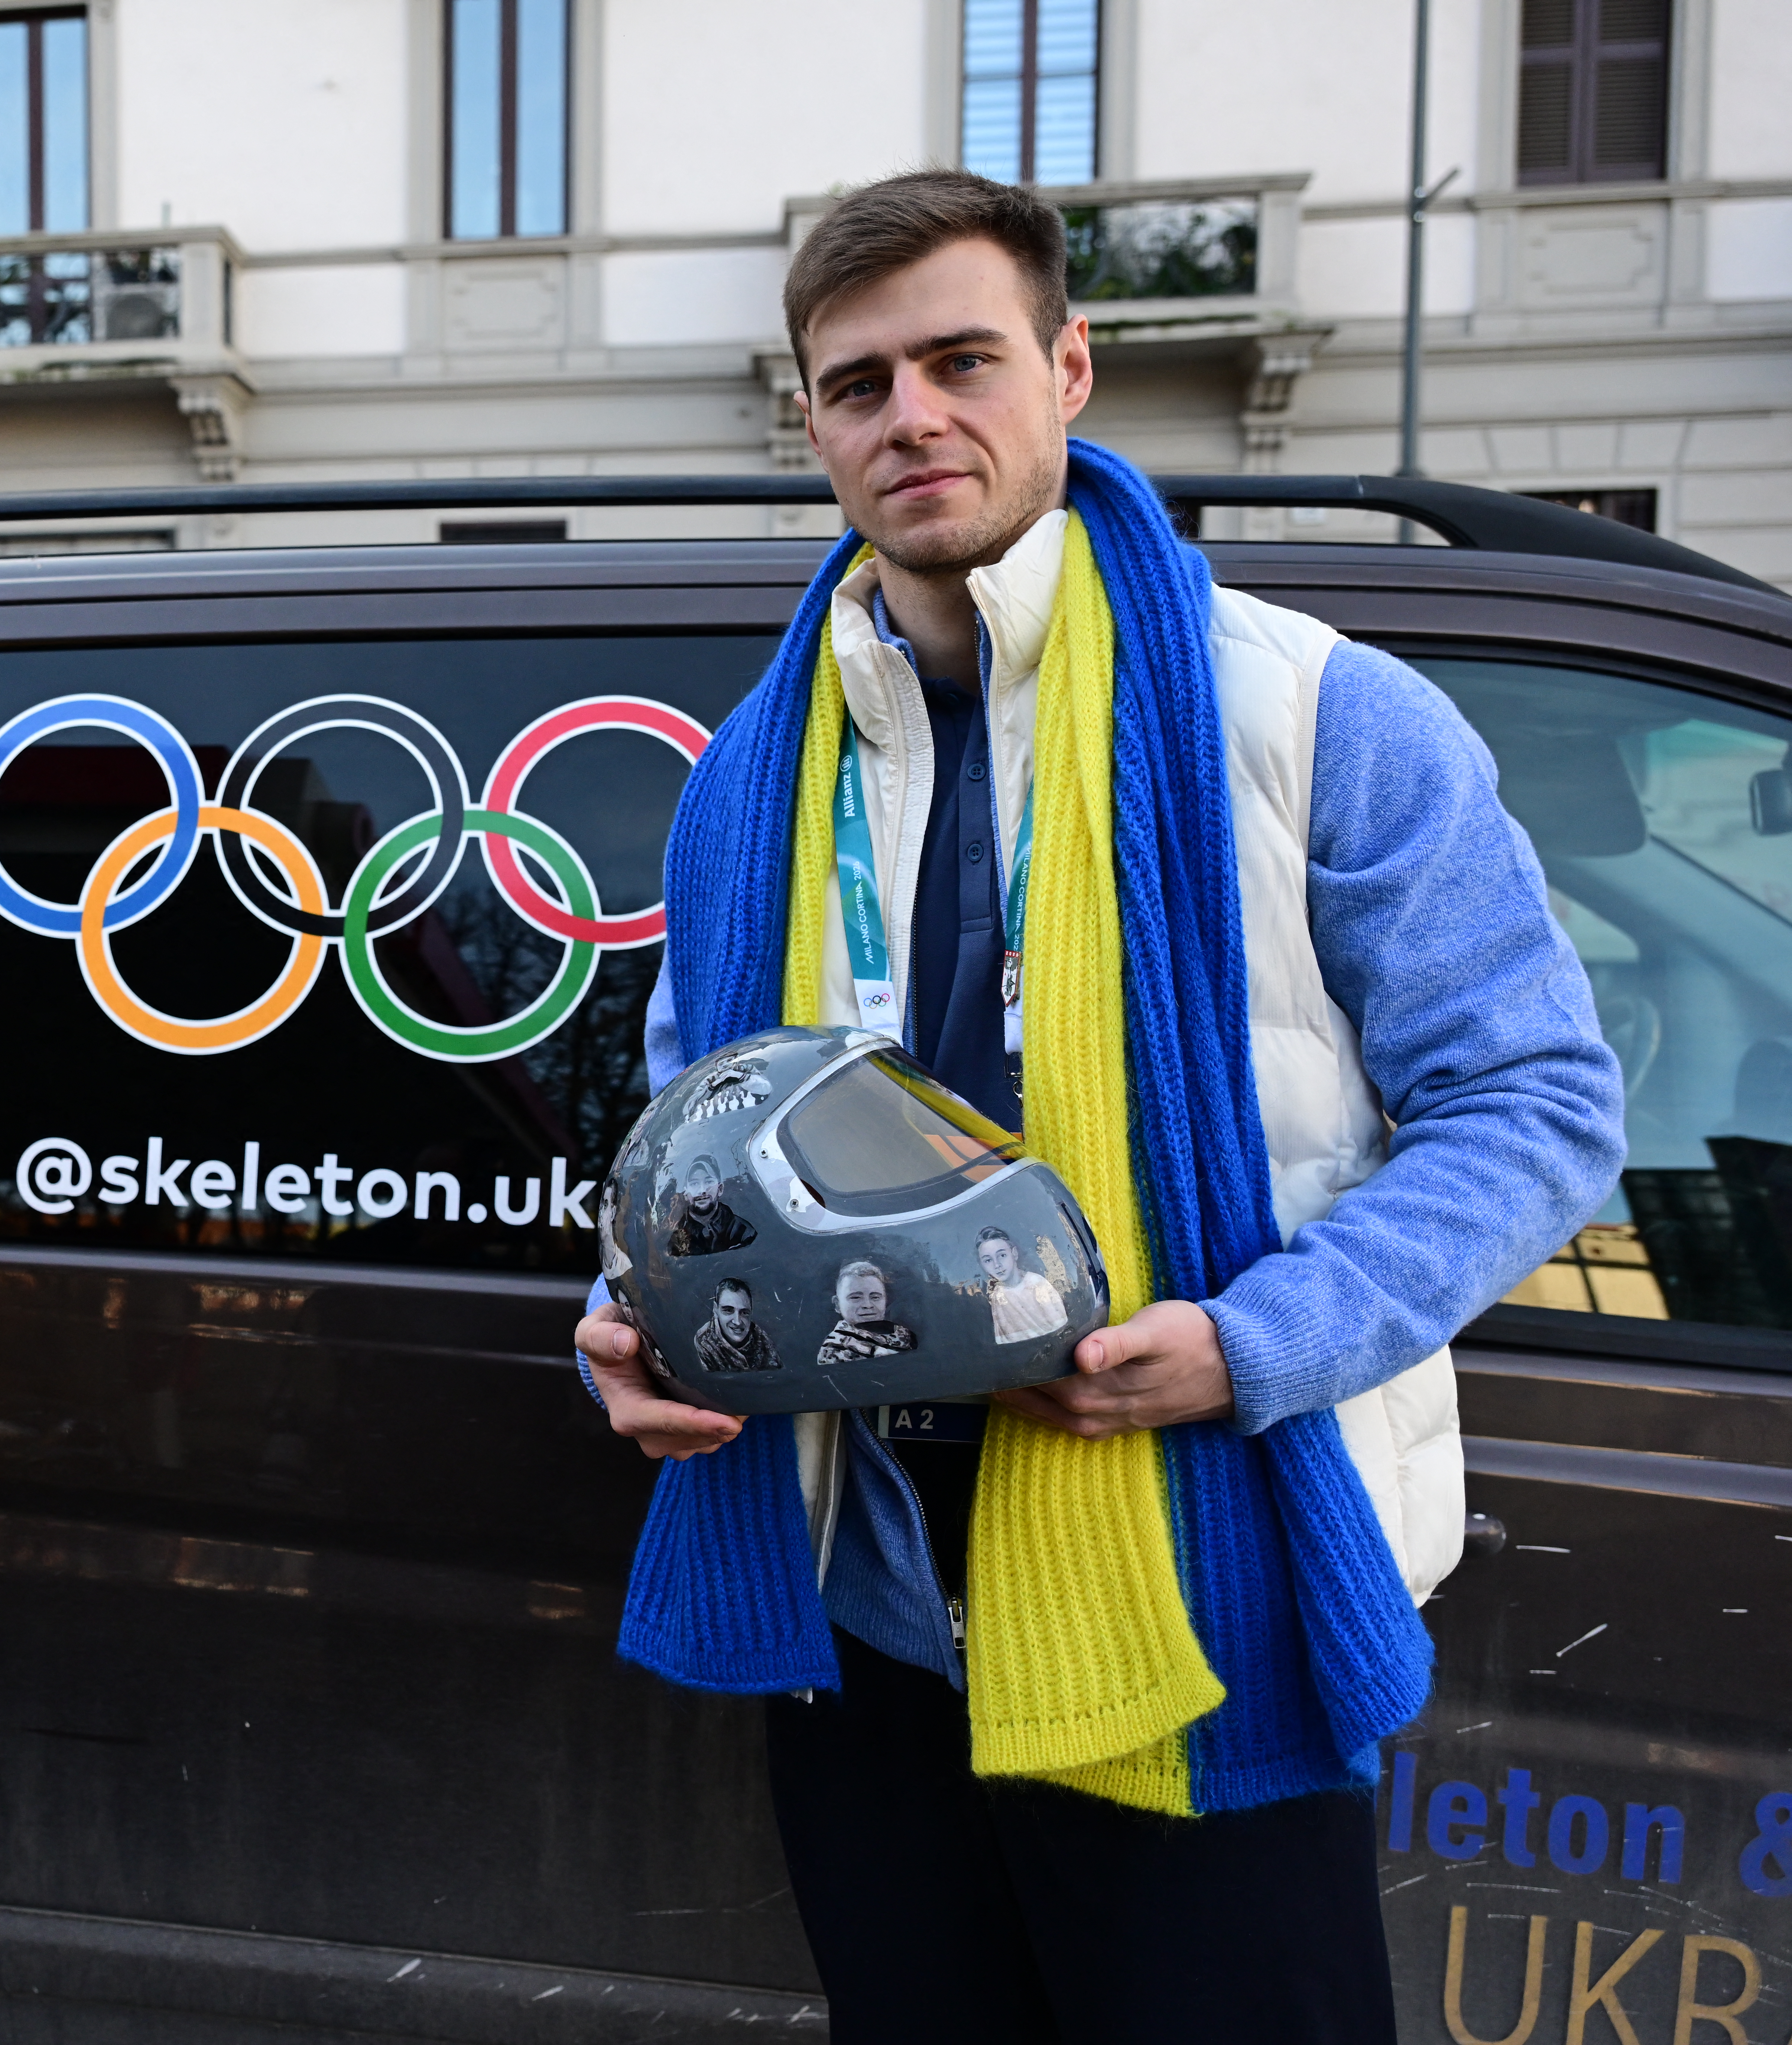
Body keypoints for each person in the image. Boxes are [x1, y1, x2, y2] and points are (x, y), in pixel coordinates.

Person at [571, 171, 1624, 2044]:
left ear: (1066, 365)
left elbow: (1534, 1104)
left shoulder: (1312, 712)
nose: (912, 415)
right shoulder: (750, 772)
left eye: (961, 358)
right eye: (857, 380)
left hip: (1200, 1587)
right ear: (806, 421)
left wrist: (1249, 1339)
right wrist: (640, 1319)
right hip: (869, 1599)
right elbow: (688, 1129)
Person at [814, 1261, 917, 1366]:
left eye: (876, 1297)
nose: (868, 1305)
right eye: (856, 1298)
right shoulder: (836, 1348)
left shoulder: (904, 1334)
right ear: (837, 1304)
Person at [979, 1226, 1069, 1343]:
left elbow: (1059, 1326)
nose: (997, 1265)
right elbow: (1005, 1338)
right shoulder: (998, 1295)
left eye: (1002, 1256)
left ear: (1014, 1254)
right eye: (988, 1260)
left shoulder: (1036, 1284)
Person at [666, 1153, 757, 1258]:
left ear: (720, 1189)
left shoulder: (743, 1232)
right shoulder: (676, 1239)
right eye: (695, 1184)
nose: (702, 1190)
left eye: (709, 1182)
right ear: (686, 1194)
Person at [692, 1278, 779, 1374]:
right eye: (728, 1311)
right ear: (716, 1310)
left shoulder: (763, 1341)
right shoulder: (704, 1341)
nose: (737, 1322)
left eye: (744, 1313)